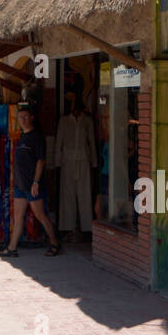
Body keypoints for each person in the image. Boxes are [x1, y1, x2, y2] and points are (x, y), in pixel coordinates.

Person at [0, 107, 60, 258]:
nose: (23, 121)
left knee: (40, 215)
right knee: (18, 217)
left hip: (32, 185)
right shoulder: (22, 137)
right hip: (20, 185)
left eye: (25, 117)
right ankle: (12, 248)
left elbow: (40, 161)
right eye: (20, 118)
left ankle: (54, 243)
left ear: (32, 118)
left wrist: (36, 182)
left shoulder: (37, 137)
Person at [53, 98, 98, 242]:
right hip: (68, 161)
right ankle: (68, 227)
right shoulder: (64, 121)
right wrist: (57, 163)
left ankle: (86, 228)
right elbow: (59, 141)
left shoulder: (87, 121)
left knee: (85, 193)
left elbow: (91, 141)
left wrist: (94, 162)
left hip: (84, 160)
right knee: (68, 194)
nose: (76, 110)